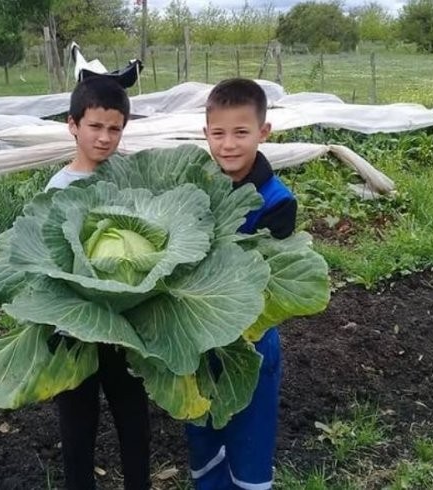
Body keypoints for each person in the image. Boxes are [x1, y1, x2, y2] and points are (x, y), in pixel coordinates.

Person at [185, 78, 297, 490]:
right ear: (206, 134)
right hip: (194, 334)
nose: (228, 144)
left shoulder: (277, 200)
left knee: (250, 435)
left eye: (241, 132)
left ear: (263, 133)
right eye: (218, 133)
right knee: (201, 427)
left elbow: (271, 284)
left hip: (249, 339)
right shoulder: (195, 183)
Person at [46, 76, 152, 490]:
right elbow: (47, 261)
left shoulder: (131, 177)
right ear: (73, 125)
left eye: (115, 128)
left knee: (134, 420)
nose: (105, 137)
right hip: (76, 327)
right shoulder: (57, 188)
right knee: (77, 424)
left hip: (127, 326)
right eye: (95, 126)